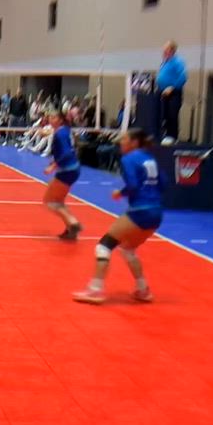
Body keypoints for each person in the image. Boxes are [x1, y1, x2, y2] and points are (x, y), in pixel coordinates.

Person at [73, 129, 164, 304]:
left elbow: (133, 185)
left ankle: (95, 290)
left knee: (104, 246)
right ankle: (143, 289)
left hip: (140, 211)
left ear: (134, 142)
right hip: (156, 212)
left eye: (124, 139)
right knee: (128, 249)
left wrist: (120, 193)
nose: (120, 142)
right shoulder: (150, 158)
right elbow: (163, 184)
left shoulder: (128, 159)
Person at [42, 111, 83, 240]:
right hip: (73, 168)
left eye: (53, 117)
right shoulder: (65, 130)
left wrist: (53, 166)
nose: (50, 119)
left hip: (67, 170)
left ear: (60, 120)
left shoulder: (60, 134)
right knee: (58, 201)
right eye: (49, 117)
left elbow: (66, 153)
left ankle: (73, 222)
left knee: (50, 201)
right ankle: (70, 230)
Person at [157, 41, 188, 143]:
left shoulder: (178, 62)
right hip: (163, 92)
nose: (163, 51)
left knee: (172, 115)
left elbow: (183, 77)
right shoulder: (164, 62)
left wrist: (172, 87)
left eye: (165, 49)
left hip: (173, 93)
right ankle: (165, 135)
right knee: (164, 115)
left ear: (171, 50)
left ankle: (173, 136)